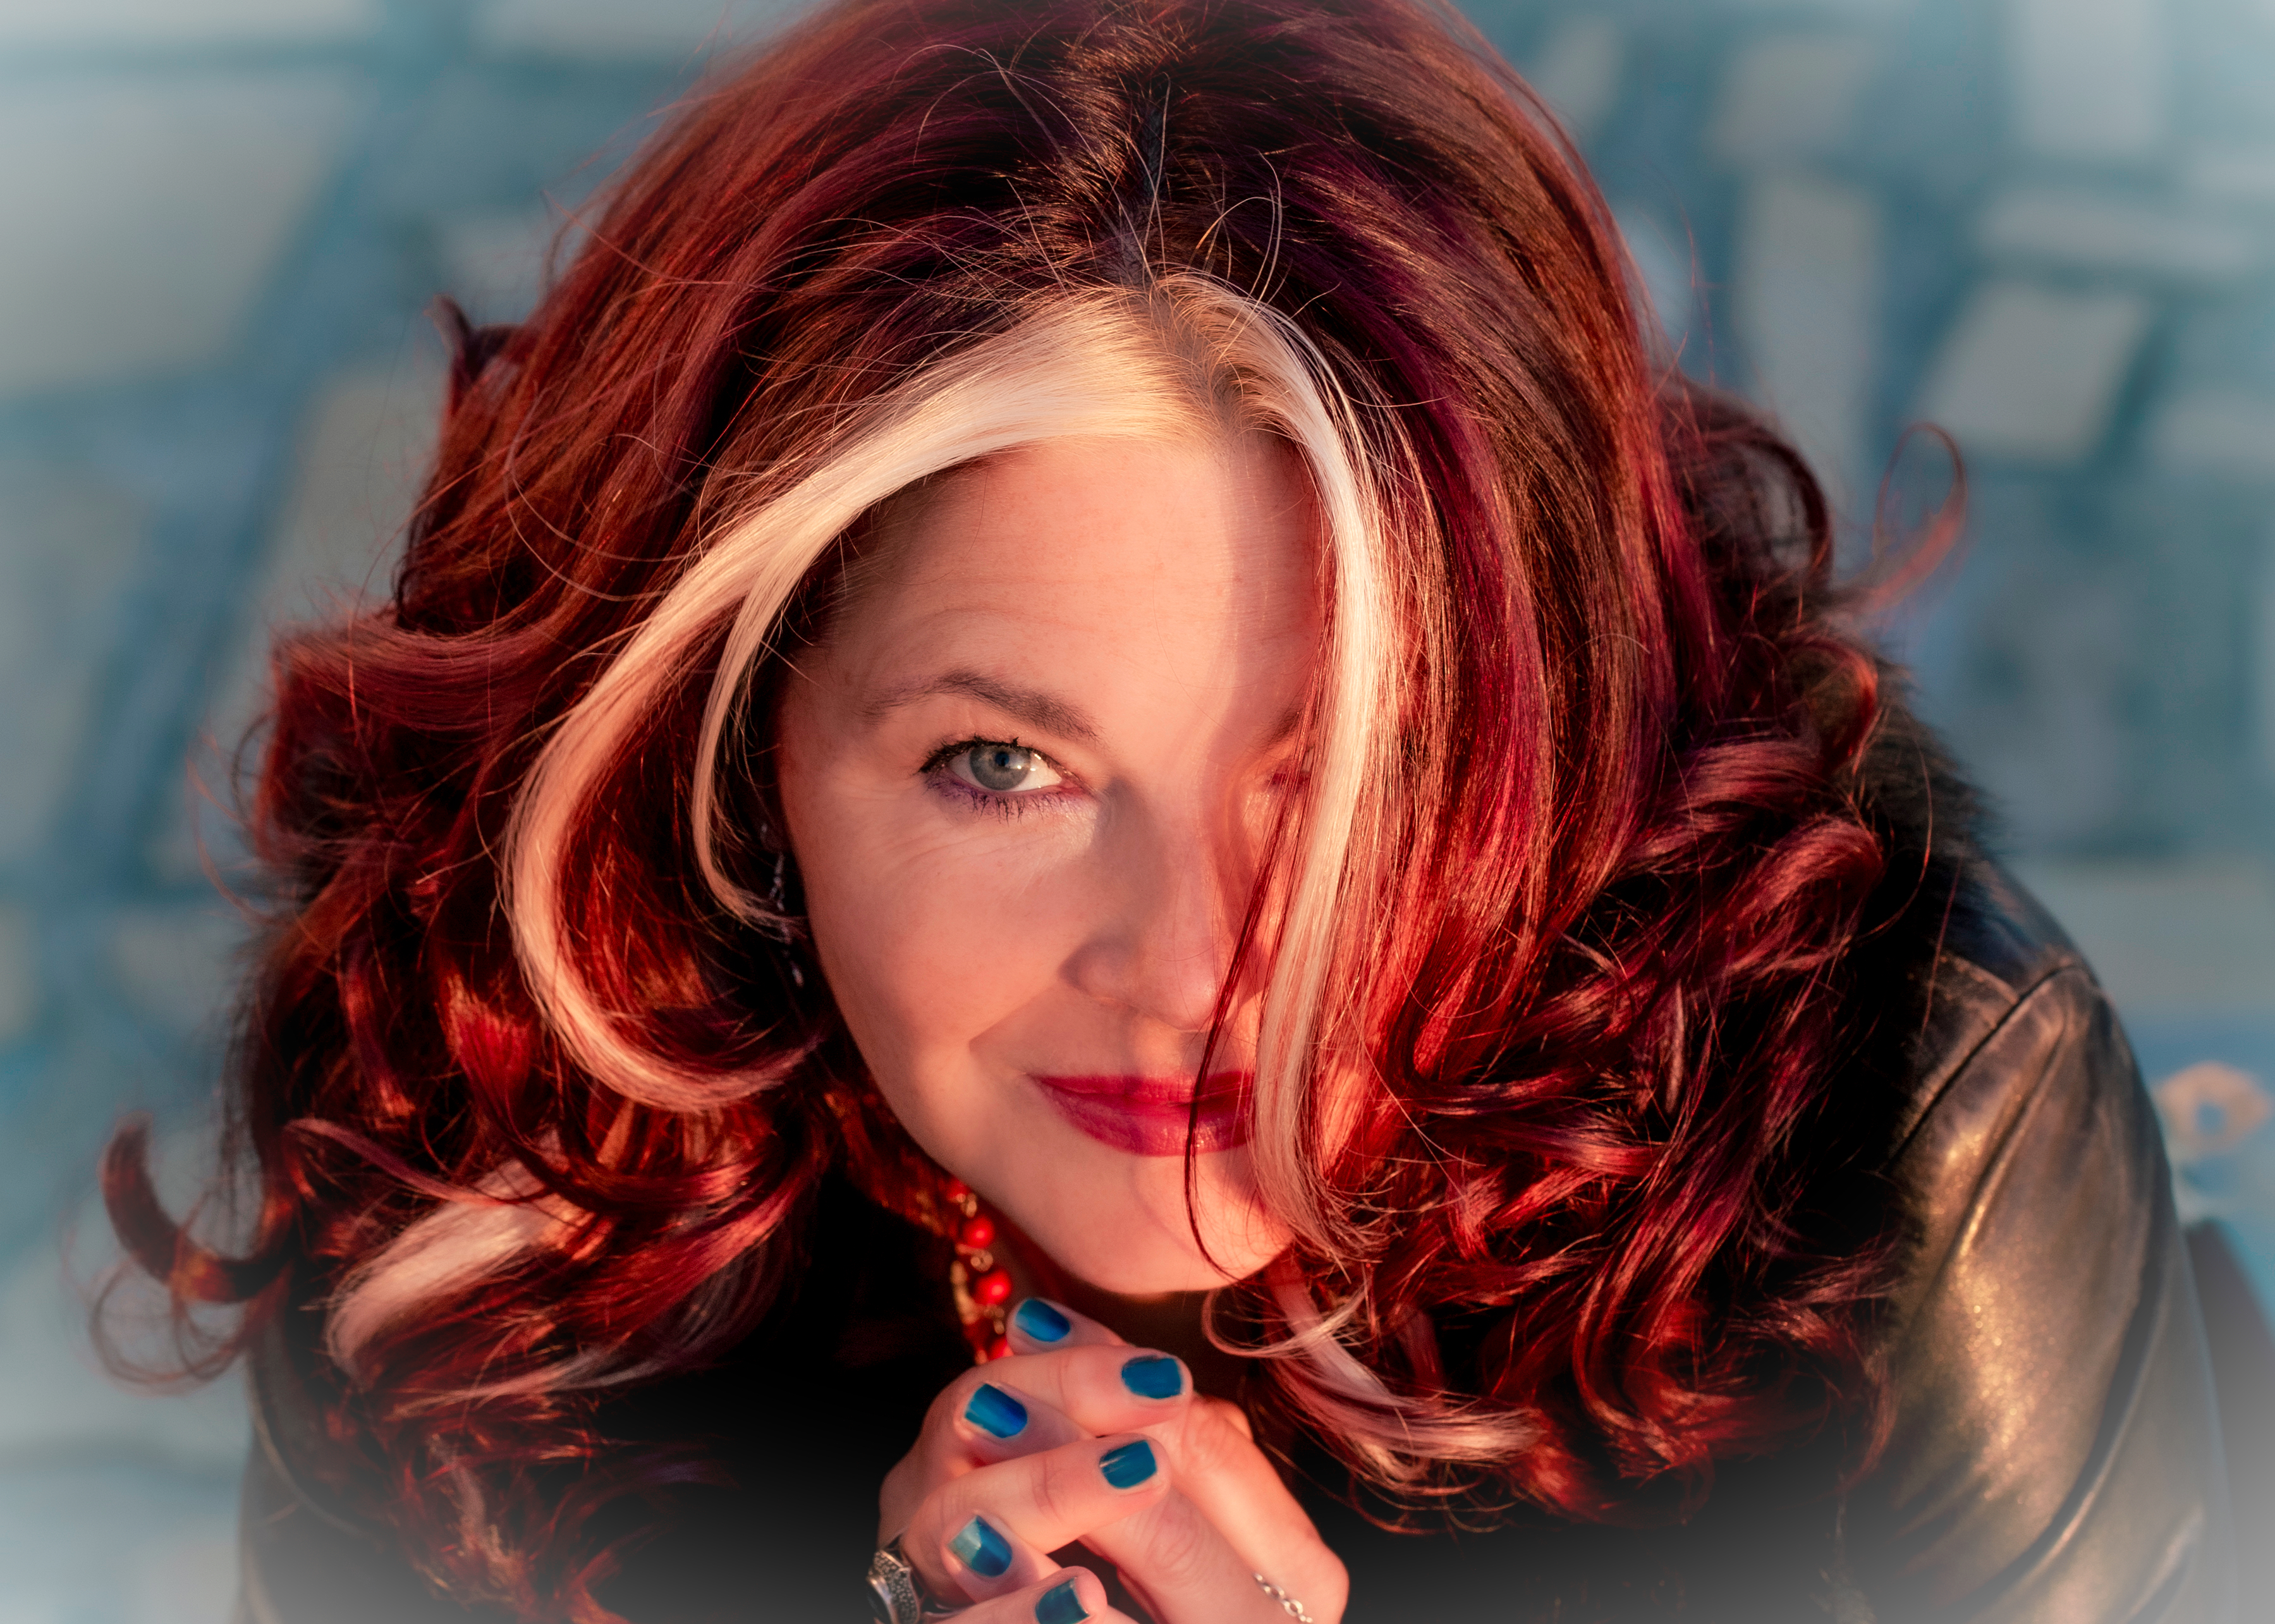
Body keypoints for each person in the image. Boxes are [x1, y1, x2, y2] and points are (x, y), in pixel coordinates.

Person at [95, 0, 2236, 1618]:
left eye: (1352, 775)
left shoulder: (1904, 1125)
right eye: (1002, 763)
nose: (1196, 963)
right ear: (737, 753)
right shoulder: (476, 1159)